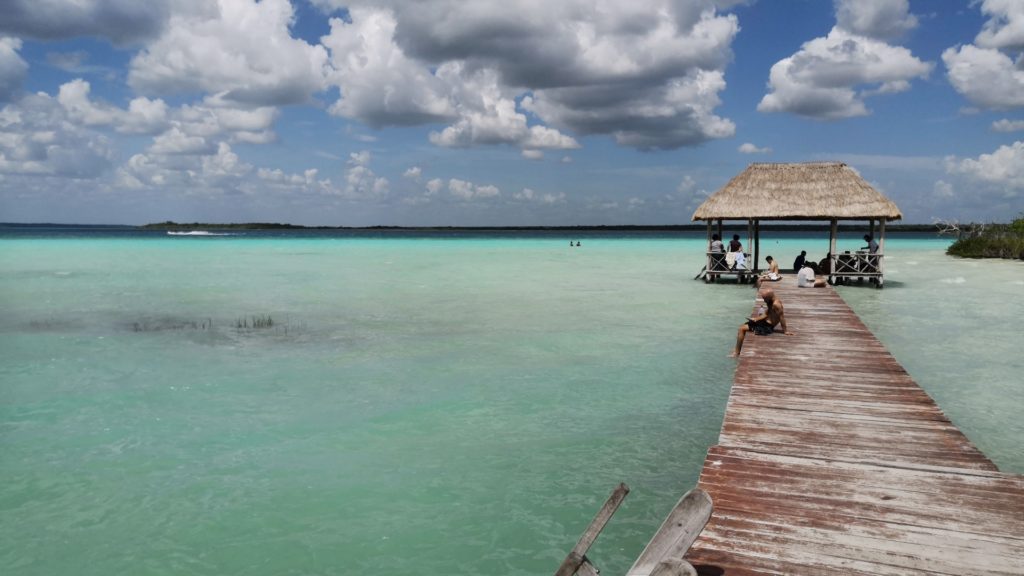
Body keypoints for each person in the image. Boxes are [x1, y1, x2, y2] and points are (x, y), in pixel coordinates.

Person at [731, 288, 793, 357]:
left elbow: (782, 317)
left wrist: (785, 331)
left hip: (767, 327)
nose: (764, 300)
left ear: (770, 297)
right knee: (743, 326)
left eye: (765, 298)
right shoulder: (770, 302)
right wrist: (756, 319)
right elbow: (766, 314)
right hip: (764, 322)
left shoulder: (776, 304)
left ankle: (737, 353)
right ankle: (737, 348)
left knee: (741, 329)